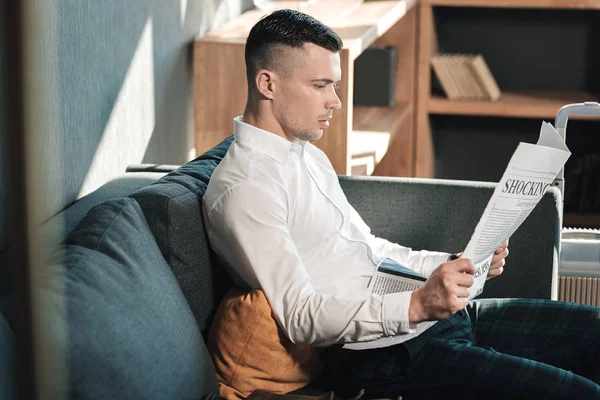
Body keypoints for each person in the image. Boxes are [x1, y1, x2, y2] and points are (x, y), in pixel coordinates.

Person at [202, 9, 600, 399]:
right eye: (321, 85)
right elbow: (302, 316)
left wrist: (453, 263)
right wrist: (417, 304)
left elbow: (370, 249)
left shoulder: (305, 154)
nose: (335, 102)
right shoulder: (246, 190)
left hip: (432, 317)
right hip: (384, 354)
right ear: (267, 84)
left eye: (334, 85)